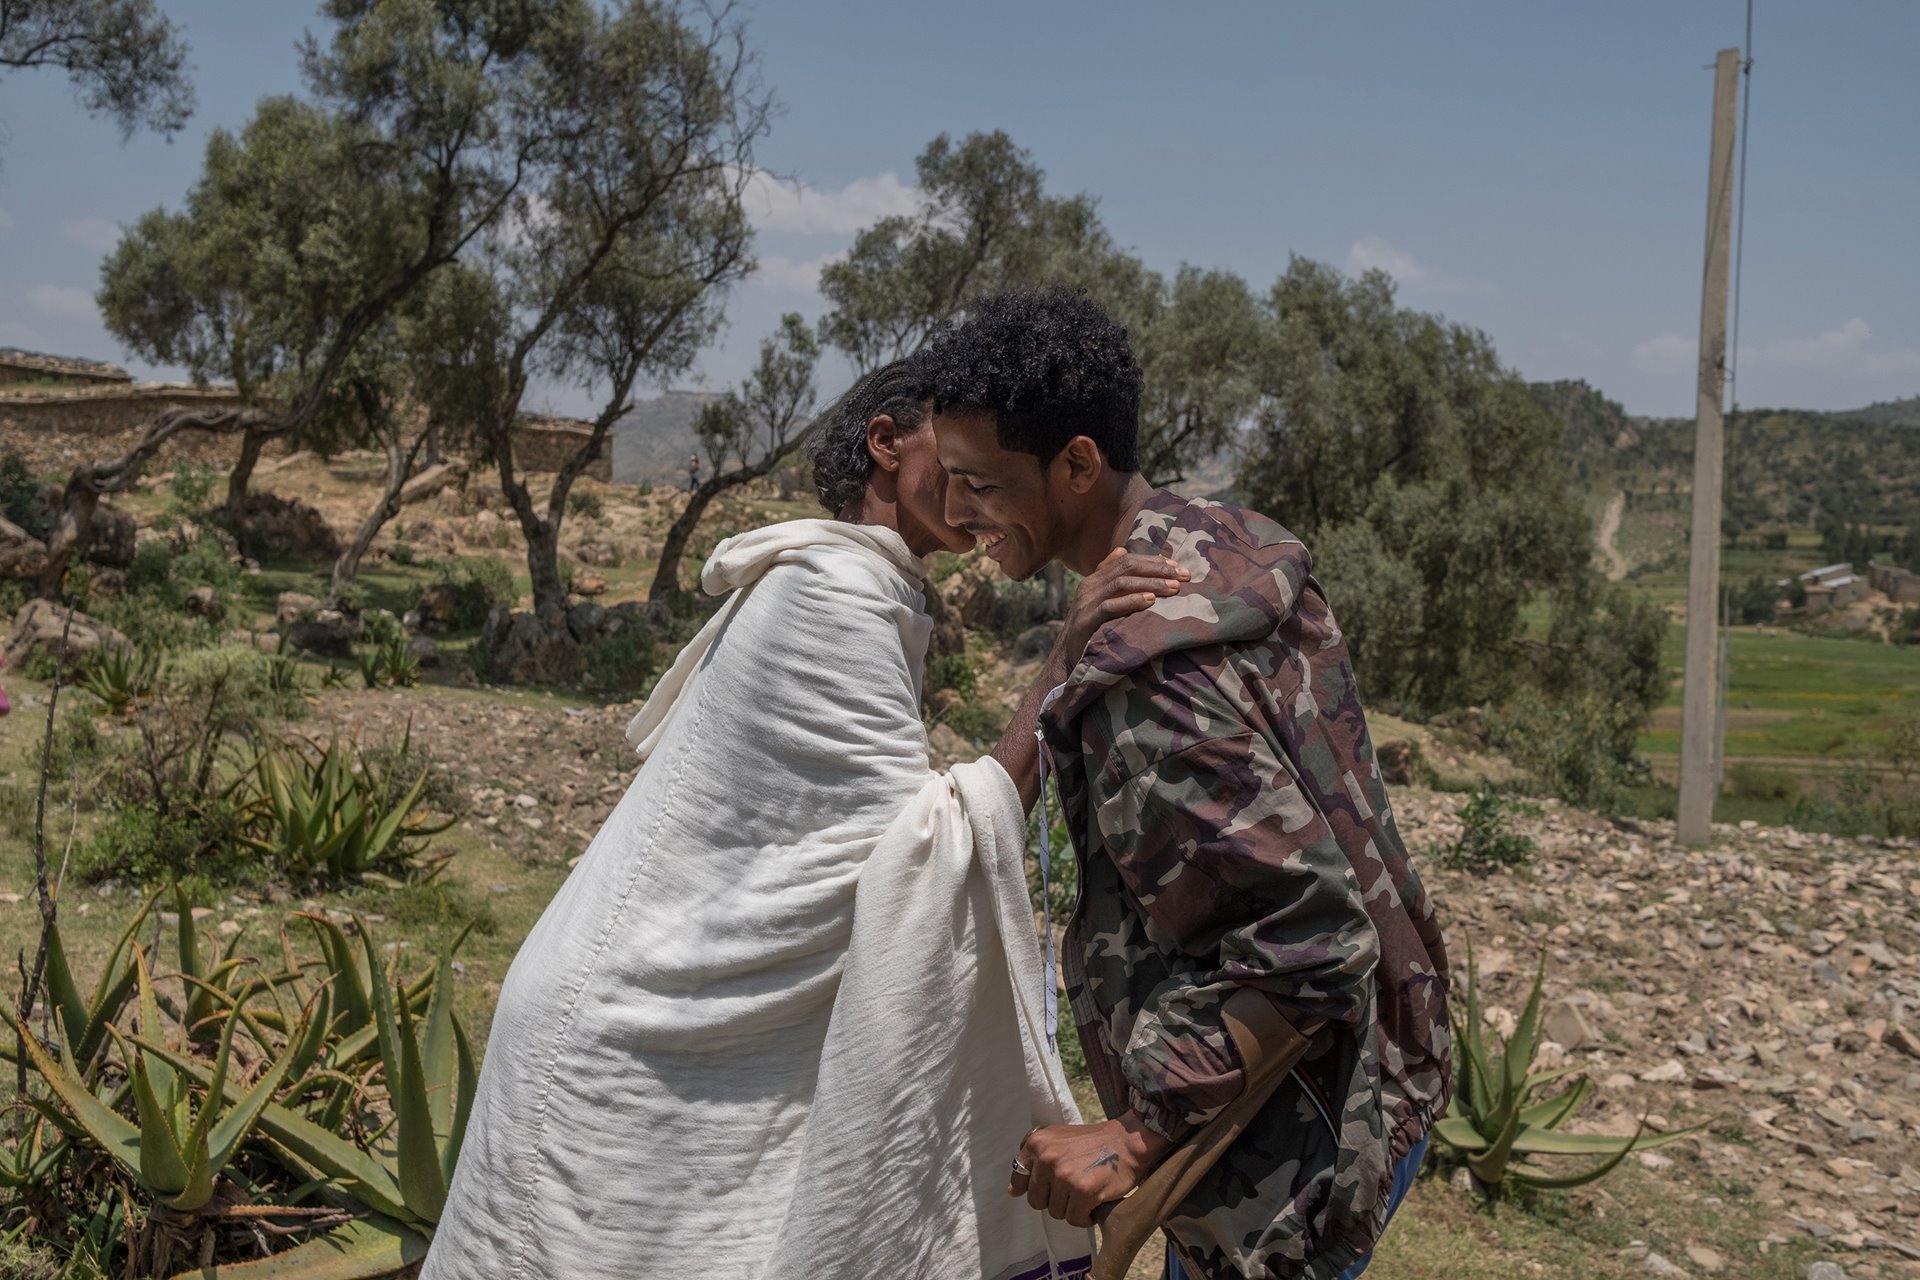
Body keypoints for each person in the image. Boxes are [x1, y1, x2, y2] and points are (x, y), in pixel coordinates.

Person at [424, 354, 1181, 1280]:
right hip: (623, 1040)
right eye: (956, 467)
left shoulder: (866, 590)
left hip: (658, 1024)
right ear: (885, 444)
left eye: (990, 475)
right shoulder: (830, 595)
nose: (979, 500)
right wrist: (1064, 652)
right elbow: (922, 856)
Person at [922, 290, 1452, 1280]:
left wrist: (1133, 1131)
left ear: (1077, 463)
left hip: (1289, 1153)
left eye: (979, 483)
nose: (957, 515)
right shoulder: (1222, 543)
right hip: (1378, 1064)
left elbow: (1312, 935)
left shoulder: (1147, 675)